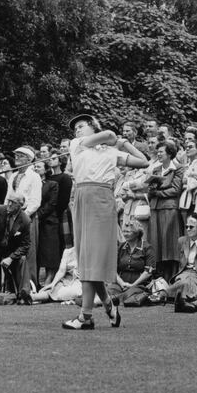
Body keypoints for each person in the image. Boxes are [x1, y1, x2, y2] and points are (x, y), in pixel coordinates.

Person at [62, 113, 149, 330]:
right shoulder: (77, 144)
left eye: (81, 126)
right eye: (75, 128)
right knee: (87, 258)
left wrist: (125, 144)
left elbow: (143, 161)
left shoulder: (111, 152)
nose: (77, 130)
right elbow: (110, 134)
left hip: (102, 199)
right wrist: (115, 141)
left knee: (94, 257)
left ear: (93, 127)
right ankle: (108, 304)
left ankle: (85, 316)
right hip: (83, 197)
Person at [147, 140, 184, 280]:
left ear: (169, 153)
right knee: (156, 242)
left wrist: (157, 192)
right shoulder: (156, 169)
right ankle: (159, 276)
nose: (158, 154)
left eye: (161, 151)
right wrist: (151, 190)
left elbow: (175, 189)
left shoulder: (178, 168)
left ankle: (172, 275)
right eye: (157, 152)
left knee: (170, 242)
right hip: (155, 208)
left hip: (169, 208)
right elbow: (151, 190)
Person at [6, 146, 42, 291]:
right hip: (12, 217)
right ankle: (12, 288)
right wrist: (7, 214)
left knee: (28, 252)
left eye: (21, 156)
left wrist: (23, 218)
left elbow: (35, 201)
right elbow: (8, 197)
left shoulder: (34, 176)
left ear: (29, 160)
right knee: (12, 250)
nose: (17, 158)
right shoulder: (13, 176)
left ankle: (29, 288)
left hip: (28, 217)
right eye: (16, 155)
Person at [105, 220, 156, 306]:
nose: (125, 234)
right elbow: (112, 269)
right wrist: (122, 283)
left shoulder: (147, 248)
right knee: (109, 290)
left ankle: (111, 300)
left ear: (137, 233)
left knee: (130, 295)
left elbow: (148, 272)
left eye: (128, 232)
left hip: (140, 285)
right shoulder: (121, 247)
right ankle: (113, 299)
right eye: (124, 231)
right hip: (121, 284)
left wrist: (133, 285)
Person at [35, 160, 60, 285]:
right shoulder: (31, 184)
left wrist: (38, 215)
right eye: (34, 166)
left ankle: (49, 279)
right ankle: (34, 281)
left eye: (38, 166)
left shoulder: (52, 184)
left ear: (45, 170)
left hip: (48, 221)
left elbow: (51, 203)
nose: (36, 168)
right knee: (36, 252)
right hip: (33, 221)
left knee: (50, 251)